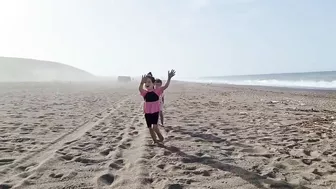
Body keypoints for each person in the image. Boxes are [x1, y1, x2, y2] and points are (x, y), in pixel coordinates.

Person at [139, 69, 176, 144]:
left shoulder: (157, 91)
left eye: (149, 82)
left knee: (154, 127)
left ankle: (161, 137)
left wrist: (169, 79)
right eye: (145, 82)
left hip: (155, 111)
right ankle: (155, 141)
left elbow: (165, 86)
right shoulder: (144, 93)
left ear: (153, 83)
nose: (147, 83)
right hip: (147, 112)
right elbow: (140, 88)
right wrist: (141, 82)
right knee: (150, 128)